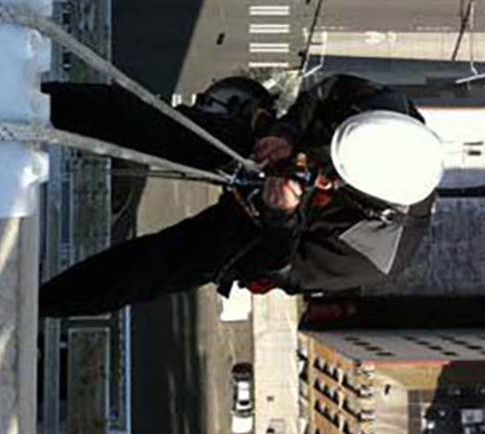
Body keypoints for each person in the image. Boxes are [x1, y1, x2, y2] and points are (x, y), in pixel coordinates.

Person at [39, 74, 444, 318]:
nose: (319, 171)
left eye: (331, 174)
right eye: (327, 159)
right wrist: (285, 135)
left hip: (270, 230)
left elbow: (279, 269)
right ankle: (41, 100)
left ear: (365, 195)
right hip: (281, 147)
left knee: (153, 266)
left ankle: (40, 303)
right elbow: (321, 94)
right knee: (157, 125)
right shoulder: (388, 111)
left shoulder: (373, 255)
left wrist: (281, 218)